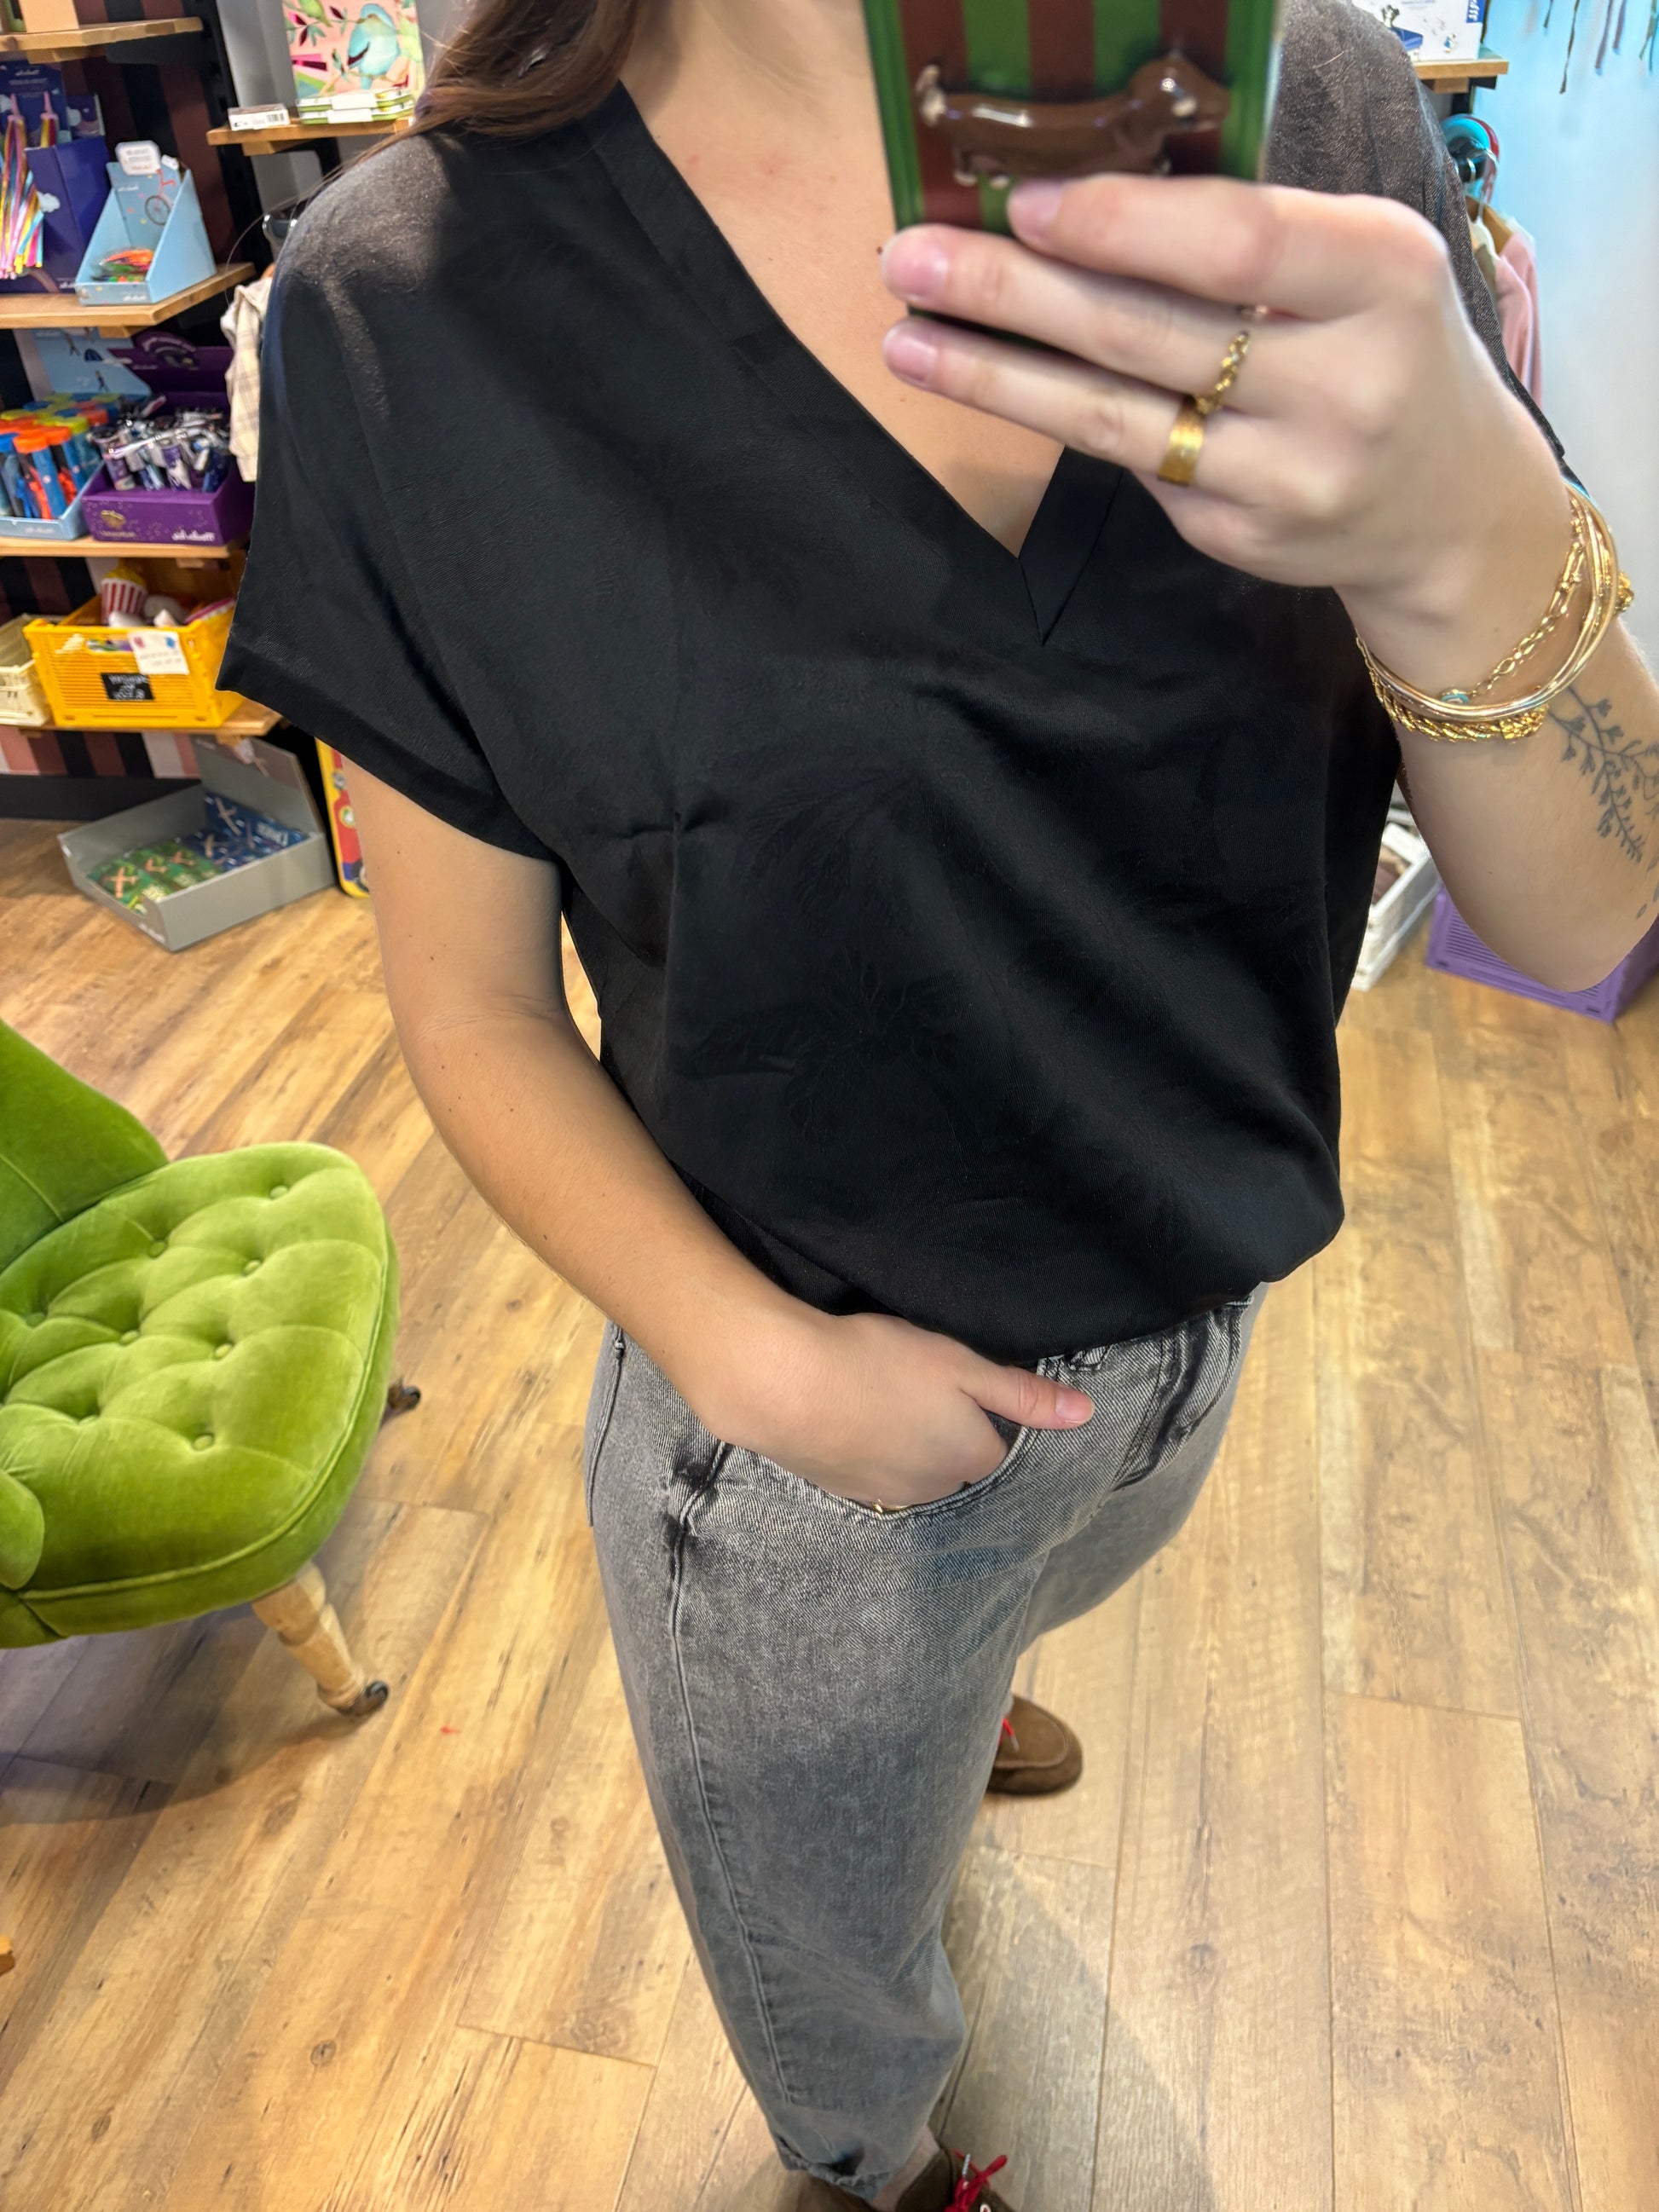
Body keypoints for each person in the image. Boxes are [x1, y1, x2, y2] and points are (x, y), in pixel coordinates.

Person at [223, 0, 1658, 2202]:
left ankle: (962, 1716)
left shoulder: (1316, 110)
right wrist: (764, 1371)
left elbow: (1582, 907)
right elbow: (472, 1008)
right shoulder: (414, 309)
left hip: (1187, 1341)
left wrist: (1465, 524)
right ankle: (883, 2164)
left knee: (969, 1678)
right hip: (795, 1465)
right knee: (834, 1969)